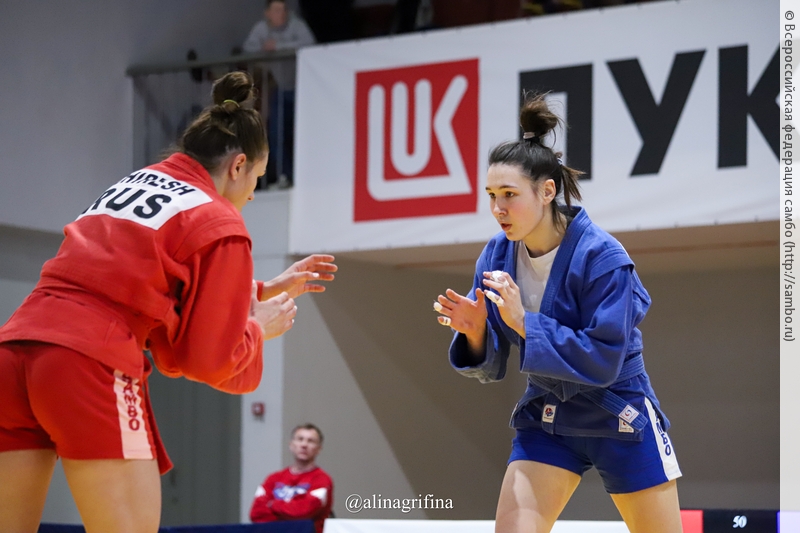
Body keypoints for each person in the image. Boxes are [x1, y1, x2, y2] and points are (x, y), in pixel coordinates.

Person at [0, 71, 337, 533]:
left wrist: (258, 290)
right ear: (238, 165)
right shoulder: (221, 220)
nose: (252, 194)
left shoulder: (136, 181)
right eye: (257, 178)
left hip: (15, 348)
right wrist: (257, 329)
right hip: (87, 356)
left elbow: (128, 275)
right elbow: (204, 358)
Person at [434, 94, 682, 533]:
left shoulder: (603, 256)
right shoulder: (495, 256)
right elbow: (489, 367)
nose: (498, 209)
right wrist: (475, 332)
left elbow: (604, 360)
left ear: (547, 191)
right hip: (548, 416)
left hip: (618, 411)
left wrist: (523, 323)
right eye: (491, 196)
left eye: (509, 195)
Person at [243, 0, 316, 187]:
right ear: (267, 13)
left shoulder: (296, 24)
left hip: (303, 88)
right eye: (276, 10)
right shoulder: (261, 29)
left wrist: (278, 46)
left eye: (283, 10)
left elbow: (309, 43)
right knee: (277, 133)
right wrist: (264, 49)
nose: (281, 14)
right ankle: (285, 175)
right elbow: (248, 49)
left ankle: (308, 175)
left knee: (304, 133)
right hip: (281, 88)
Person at [250, 423, 333, 533]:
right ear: (291, 445)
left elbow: (305, 512)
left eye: (311, 441)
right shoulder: (273, 479)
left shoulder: (321, 479)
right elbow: (256, 514)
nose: (304, 445)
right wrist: (291, 511)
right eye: (300, 439)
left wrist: (273, 504)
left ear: (319, 449)